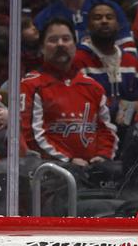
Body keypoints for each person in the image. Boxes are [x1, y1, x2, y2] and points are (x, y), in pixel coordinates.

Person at [20, 17, 116, 166]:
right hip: (49, 174)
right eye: (53, 40)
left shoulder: (93, 86)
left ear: (75, 45)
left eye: (66, 39)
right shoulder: (30, 85)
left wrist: (103, 156)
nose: (60, 44)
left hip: (92, 173)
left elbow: (107, 130)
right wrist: (67, 161)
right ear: (41, 48)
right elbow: (30, 135)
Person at [73, 1, 138, 128]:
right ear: (88, 26)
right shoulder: (78, 59)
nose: (104, 21)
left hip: (124, 134)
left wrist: (124, 119)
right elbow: (79, 102)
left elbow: (135, 99)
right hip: (89, 131)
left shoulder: (131, 62)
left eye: (109, 17)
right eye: (97, 18)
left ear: (118, 25)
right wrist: (118, 108)